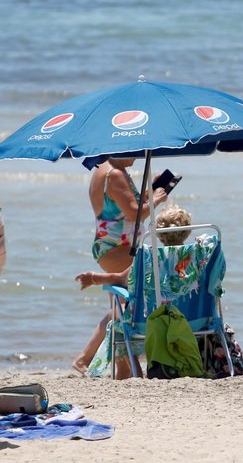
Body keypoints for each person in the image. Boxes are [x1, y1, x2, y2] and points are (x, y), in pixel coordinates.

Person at [72, 159, 168, 376]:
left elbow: (120, 207)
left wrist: (147, 193)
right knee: (124, 306)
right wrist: (155, 201)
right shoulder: (114, 173)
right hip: (118, 245)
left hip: (110, 242)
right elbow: (135, 214)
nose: (136, 156)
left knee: (120, 303)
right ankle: (88, 359)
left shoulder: (105, 169)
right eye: (132, 150)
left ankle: (121, 366)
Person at [74, 203, 192, 379]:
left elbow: (121, 278)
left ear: (159, 234)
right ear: (187, 231)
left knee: (118, 323)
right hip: (190, 321)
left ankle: (131, 372)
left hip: (150, 323)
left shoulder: (149, 256)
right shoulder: (195, 256)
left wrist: (93, 278)